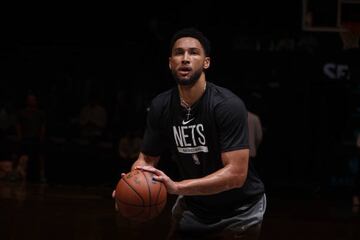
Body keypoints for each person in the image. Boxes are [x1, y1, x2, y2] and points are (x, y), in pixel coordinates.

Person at [113, 27, 266, 239]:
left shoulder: (227, 105)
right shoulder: (161, 106)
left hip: (239, 211)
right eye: (179, 52)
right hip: (194, 207)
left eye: (193, 52)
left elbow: (236, 175)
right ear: (170, 63)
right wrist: (131, 183)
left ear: (206, 62)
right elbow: (147, 159)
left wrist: (177, 187)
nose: (185, 58)